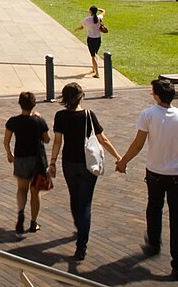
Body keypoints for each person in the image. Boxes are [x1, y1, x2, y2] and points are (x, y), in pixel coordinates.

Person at [115, 77, 178, 281]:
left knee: (154, 207)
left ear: (158, 95)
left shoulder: (148, 115)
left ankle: (153, 242)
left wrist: (123, 161)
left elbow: (138, 144)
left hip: (155, 173)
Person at [49, 82, 123, 262]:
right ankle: (82, 245)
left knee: (74, 197)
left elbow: (58, 141)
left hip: (69, 163)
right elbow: (102, 139)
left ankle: (79, 226)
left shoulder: (60, 116)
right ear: (81, 96)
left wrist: (52, 162)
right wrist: (118, 157)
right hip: (88, 164)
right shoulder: (89, 115)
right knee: (86, 202)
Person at [2, 91, 50, 234]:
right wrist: (41, 120)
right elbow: (47, 139)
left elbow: (6, 141)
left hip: (21, 159)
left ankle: (21, 213)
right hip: (37, 160)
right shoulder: (39, 121)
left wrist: (9, 153)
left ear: (20, 104)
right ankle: (33, 222)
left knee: (21, 189)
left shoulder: (13, 121)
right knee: (35, 192)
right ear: (34, 104)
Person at [75, 5, 105, 78]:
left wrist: (77, 29)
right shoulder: (99, 18)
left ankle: (97, 73)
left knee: (93, 55)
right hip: (98, 39)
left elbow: (82, 27)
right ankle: (93, 68)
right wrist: (98, 9)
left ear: (90, 11)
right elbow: (104, 11)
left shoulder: (87, 19)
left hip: (91, 39)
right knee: (94, 54)